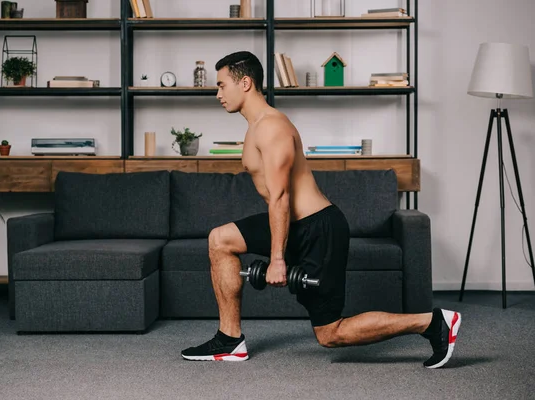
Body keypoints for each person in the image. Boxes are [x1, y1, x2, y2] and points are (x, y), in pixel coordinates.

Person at [180, 51, 461, 368]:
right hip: (297, 226)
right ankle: (230, 340)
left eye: (221, 85)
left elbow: (281, 196)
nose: (217, 94)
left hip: (319, 229)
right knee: (220, 239)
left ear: (245, 83)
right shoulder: (256, 125)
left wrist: (276, 260)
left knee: (331, 334)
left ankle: (432, 323)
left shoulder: (272, 128)